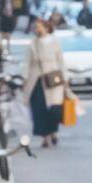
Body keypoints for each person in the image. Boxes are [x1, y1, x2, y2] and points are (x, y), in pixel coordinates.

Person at [23, 17, 71, 148]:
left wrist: (65, 79)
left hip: (53, 78)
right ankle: (45, 137)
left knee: (54, 109)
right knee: (39, 108)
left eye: (38, 26)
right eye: (35, 27)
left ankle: (53, 131)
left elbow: (60, 61)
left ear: (46, 27)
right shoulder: (33, 43)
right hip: (36, 79)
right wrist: (24, 78)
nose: (36, 29)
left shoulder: (55, 42)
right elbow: (27, 62)